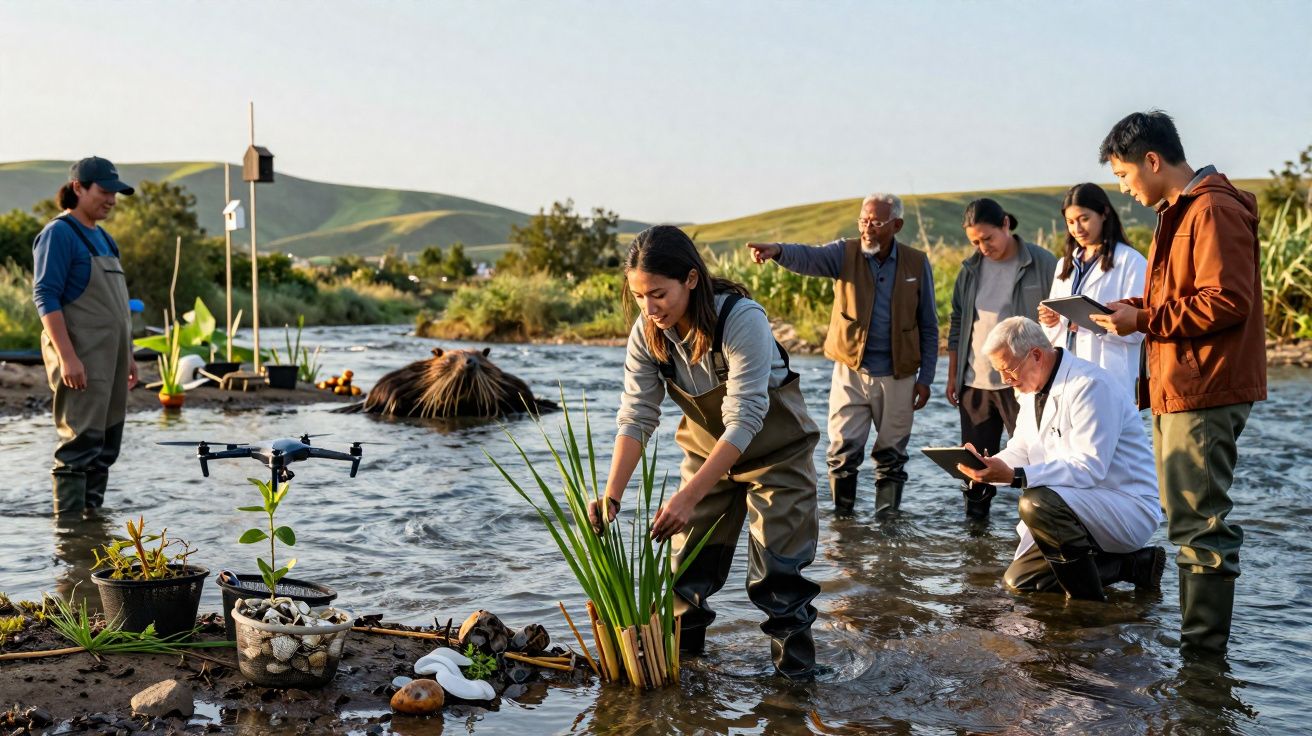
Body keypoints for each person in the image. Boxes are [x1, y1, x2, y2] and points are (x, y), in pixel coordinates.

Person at [588, 225, 821, 679]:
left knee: (778, 580)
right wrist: (611, 495)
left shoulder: (742, 319)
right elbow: (636, 415)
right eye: (638, 296)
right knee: (684, 578)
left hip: (777, 456)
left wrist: (687, 498)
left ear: (691, 279)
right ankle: (686, 680)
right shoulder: (647, 334)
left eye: (658, 294)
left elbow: (746, 418)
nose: (649, 308)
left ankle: (795, 691)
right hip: (705, 454)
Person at [1090, 110, 1265, 657]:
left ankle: (1202, 662)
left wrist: (1143, 320)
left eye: (1123, 175)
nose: (1123, 188)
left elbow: (1227, 301)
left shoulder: (1211, 209)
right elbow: (1182, 298)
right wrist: (1130, 309)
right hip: (1182, 387)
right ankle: (1198, 653)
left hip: (1205, 387)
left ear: (1152, 160)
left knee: (1201, 526)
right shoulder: (1181, 212)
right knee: (1187, 520)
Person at [746, 193, 938, 518]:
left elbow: (929, 325)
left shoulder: (916, 263)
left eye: (876, 222)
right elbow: (809, 257)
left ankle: (887, 527)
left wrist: (926, 379)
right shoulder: (844, 253)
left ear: (896, 225)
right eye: (863, 221)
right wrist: (777, 250)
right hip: (850, 372)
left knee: (892, 456)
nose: (867, 229)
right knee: (842, 453)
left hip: (900, 375)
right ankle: (843, 524)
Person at [957, 317, 1164, 600]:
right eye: (999, 372)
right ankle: (1135, 565)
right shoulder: (1031, 392)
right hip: (1077, 503)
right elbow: (1021, 450)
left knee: (1036, 502)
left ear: (1036, 355)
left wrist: (1016, 476)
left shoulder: (1091, 385)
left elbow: (1089, 468)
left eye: (1008, 369)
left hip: (1125, 505)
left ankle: (1088, 610)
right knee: (1021, 582)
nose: (1005, 380)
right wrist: (986, 469)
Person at [32, 157, 138, 517]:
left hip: (112, 361)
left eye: (115, 193)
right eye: (104, 191)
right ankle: (68, 532)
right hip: (81, 360)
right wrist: (67, 357)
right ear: (78, 187)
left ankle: (91, 529)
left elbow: (117, 309)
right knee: (78, 445)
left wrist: (129, 355)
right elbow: (45, 295)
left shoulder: (106, 239)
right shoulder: (59, 234)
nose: (111, 200)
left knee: (105, 445)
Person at [947, 199, 1056, 519]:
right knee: (974, 472)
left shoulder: (1042, 263)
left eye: (988, 238)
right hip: (975, 385)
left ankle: (1040, 531)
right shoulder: (969, 270)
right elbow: (958, 323)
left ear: (1006, 224)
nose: (983, 247)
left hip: (1025, 384)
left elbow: (1060, 317)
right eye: (975, 242)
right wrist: (953, 376)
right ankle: (976, 540)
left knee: (1034, 462)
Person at [1037, 183, 1146, 401]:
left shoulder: (1131, 261)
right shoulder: (1064, 265)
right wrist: (1050, 321)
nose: (1077, 228)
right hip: (1068, 374)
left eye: (1084, 219)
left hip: (1111, 373)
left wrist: (1090, 322)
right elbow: (1056, 331)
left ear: (1104, 213)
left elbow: (1139, 330)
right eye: (1070, 222)